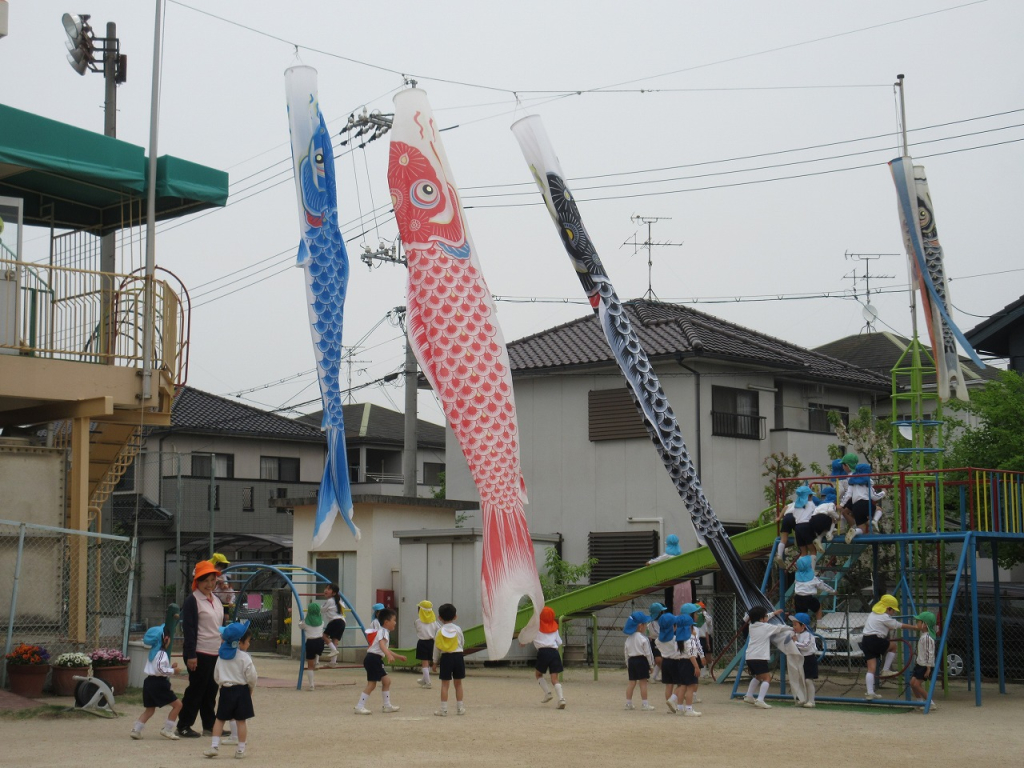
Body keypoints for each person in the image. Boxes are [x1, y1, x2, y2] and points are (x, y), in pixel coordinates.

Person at [178, 559, 226, 739]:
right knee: (196, 691)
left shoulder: (217, 600)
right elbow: (189, 630)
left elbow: (222, 626)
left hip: (215, 652)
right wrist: (191, 655)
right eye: (205, 580)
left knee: (211, 691)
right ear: (197, 581)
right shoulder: (193, 601)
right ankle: (183, 725)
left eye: (213, 580)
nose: (210, 584)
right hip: (199, 652)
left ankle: (209, 725)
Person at [203, 621, 257, 759]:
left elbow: (216, 676)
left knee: (220, 719)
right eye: (248, 641)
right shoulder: (245, 658)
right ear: (239, 642)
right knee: (241, 721)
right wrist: (251, 688)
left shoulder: (221, 657)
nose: (249, 644)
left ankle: (214, 746)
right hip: (242, 690)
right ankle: (240, 749)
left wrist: (222, 684)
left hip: (225, 690)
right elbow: (252, 676)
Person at [860, 594, 917, 700]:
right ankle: (886, 669)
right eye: (893, 610)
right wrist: (914, 627)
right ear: (888, 608)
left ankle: (870, 692)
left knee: (871, 669)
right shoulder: (884, 617)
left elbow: (881, 626)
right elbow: (899, 625)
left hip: (865, 641)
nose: (894, 612)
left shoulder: (873, 614)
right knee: (893, 646)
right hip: (875, 640)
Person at [131, 624, 182, 741]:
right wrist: (173, 670)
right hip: (159, 683)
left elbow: (157, 667)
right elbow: (159, 669)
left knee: (150, 709)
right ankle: (168, 729)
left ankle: (136, 730)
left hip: (149, 682)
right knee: (178, 705)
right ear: (165, 639)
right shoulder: (162, 653)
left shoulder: (153, 652)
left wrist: (169, 667)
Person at [354, 607, 406, 714]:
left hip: (374, 659)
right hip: (373, 659)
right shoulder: (383, 632)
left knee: (386, 681)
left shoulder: (383, 632)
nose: (395, 623)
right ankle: (360, 706)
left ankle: (387, 706)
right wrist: (388, 655)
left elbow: (385, 648)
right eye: (394, 620)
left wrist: (397, 656)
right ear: (386, 622)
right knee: (372, 684)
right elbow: (382, 646)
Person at [742, 606, 795, 709]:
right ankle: (760, 700)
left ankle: (749, 695)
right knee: (767, 678)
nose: (767, 617)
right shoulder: (766, 627)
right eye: (766, 616)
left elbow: (763, 618)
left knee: (757, 676)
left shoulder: (751, 625)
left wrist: (773, 614)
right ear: (762, 618)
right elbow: (780, 627)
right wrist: (792, 628)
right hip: (759, 657)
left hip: (750, 656)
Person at [431, 603, 466, 716]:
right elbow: (462, 642)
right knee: (458, 684)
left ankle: (443, 709)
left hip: (446, 657)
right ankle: (460, 708)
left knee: (445, 684)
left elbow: (436, 647)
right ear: (455, 616)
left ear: (439, 617)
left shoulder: (439, 631)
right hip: (458, 656)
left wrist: (435, 662)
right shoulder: (458, 629)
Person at [529, 606, 565, 709]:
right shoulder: (554, 628)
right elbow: (559, 642)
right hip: (554, 652)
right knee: (555, 679)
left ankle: (547, 693)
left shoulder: (536, 627)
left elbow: (528, 637)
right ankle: (561, 699)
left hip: (543, 652)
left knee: (538, 674)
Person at [842, 463, 886, 543]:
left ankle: (855, 531)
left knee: (861, 528)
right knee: (878, 509)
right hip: (865, 504)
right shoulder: (868, 482)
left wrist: (842, 504)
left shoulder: (852, 483)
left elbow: (848, 495)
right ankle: (874, 521)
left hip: (855, 507)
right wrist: (883, 492)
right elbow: (874, 497)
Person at [623, 610, 655, 711]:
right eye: (645, 624)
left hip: (631, 661)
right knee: (643, 683)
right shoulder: (643, 639)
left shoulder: (628, 639)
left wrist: (628, 664)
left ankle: (628, 703)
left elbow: (626, 653)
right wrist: (651, 665)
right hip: (642, 661)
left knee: (631, 683)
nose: (646, 626)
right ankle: (645, 704)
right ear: (640, 626)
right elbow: (648, 653)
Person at [776, 484, 816, 567]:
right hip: (803, 524)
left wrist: (779, 517)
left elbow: (786, 507)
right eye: (811, 495)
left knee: (784, 539)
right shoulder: (810, 504)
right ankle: (812, 570)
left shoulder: (795, 504)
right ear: (808, 496)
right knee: (812, 550)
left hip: (790, 521)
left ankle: (779, 554)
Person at [674, 609, 703, 716]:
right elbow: (691, 655)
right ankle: (689, 709)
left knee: (683, 686)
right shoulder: (690, 639)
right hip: (689, 664)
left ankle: (679, 708)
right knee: (691, 687)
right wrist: (696, 667)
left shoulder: (678, 640)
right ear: (689, 627)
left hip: (681, 663)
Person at [793, 555, 836, 621]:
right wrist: (832, 591)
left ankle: (800, 627)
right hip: (808, 597)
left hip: (798, 598)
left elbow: (795, 583)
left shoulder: (797, 576)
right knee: (818, 607)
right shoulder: (812, 578)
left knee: (801, 614)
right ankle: (819, 623)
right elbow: (822, 585)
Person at [654, 611, 681, 712]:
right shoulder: (676, 639)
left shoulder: (657, 640)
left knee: (669, 684)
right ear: (673, 627)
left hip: (665, 662)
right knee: (681, 684)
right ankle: (673, 700)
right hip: (675, 662)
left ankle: (670, 708)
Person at [910, 611, 938, 710]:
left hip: (925, 665)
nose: (916, 624)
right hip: (920, 664)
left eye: (919, 622)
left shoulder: (927, 638)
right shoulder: (923, 636)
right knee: (912, 683)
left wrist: (928, 668)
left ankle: (930, 702)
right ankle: (919, 702)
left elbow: (929, 653)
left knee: (916, 684)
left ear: (925, 625)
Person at [790, 612, 818, 708]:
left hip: (809, 659)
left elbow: (806, 646)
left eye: (795, 624)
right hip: (800, 659)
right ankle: (803, 699)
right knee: (801, 680)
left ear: (803, 625)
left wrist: (795, 642)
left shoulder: (808, 635)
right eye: (793, 624)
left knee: (808, 681)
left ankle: (811, 701)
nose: (794, 627)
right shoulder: (796, 634)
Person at [298, 602, 325, 690]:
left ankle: (311, 685)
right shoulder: (321, 622)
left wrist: (301, 620)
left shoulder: (306, 622)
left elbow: (300, 626)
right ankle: (317, 661)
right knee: (318, 651)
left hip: (310, 642)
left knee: (310, 666)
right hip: (320, 642)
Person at [415, 599, 440, 689]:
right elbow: (438, 630)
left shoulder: (418, 621)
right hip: (431, 643)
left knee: (424, 663)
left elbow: (418, 630)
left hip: (422, 642)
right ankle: (424, 679)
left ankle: (428, 682)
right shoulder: (434, 622)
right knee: (428, 662)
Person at [810, 485, 842, 552]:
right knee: (833, 519)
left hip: (812, 520)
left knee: (822, 529)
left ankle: (819, 539)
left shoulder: (820, 504)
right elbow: (830, 511)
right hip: (822, 518)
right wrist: (838, 517)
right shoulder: (831, 504)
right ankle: (829, 534)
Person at [321, 583, 346, 668]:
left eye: (328, 589)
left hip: (335, 621)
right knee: (335, 640)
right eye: (326, 588)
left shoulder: (330, 601)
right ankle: (333, 662)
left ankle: (334, 650)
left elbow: (322, 610)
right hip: (342, 622)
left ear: (334, 593)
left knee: (324, 636)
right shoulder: (339, 600)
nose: (325, 590)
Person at [647, 602, 668, 682]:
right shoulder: (651, 623)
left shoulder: (662, 620)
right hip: (655, 641)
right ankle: (652, 676)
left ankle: (655, 676)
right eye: (661, 612)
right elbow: (655, 633)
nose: (663, 613)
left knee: (661, 660)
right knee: (658, 660)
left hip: (662, 641)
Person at [694, 600, 714, 678]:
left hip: (707, 637)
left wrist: (704, 614)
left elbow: (709, 622)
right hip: (698, 638)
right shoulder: (694, 619)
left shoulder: (706, 618)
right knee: (701, 656)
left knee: (708, 656)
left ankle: (711, 672)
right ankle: (703, 673)